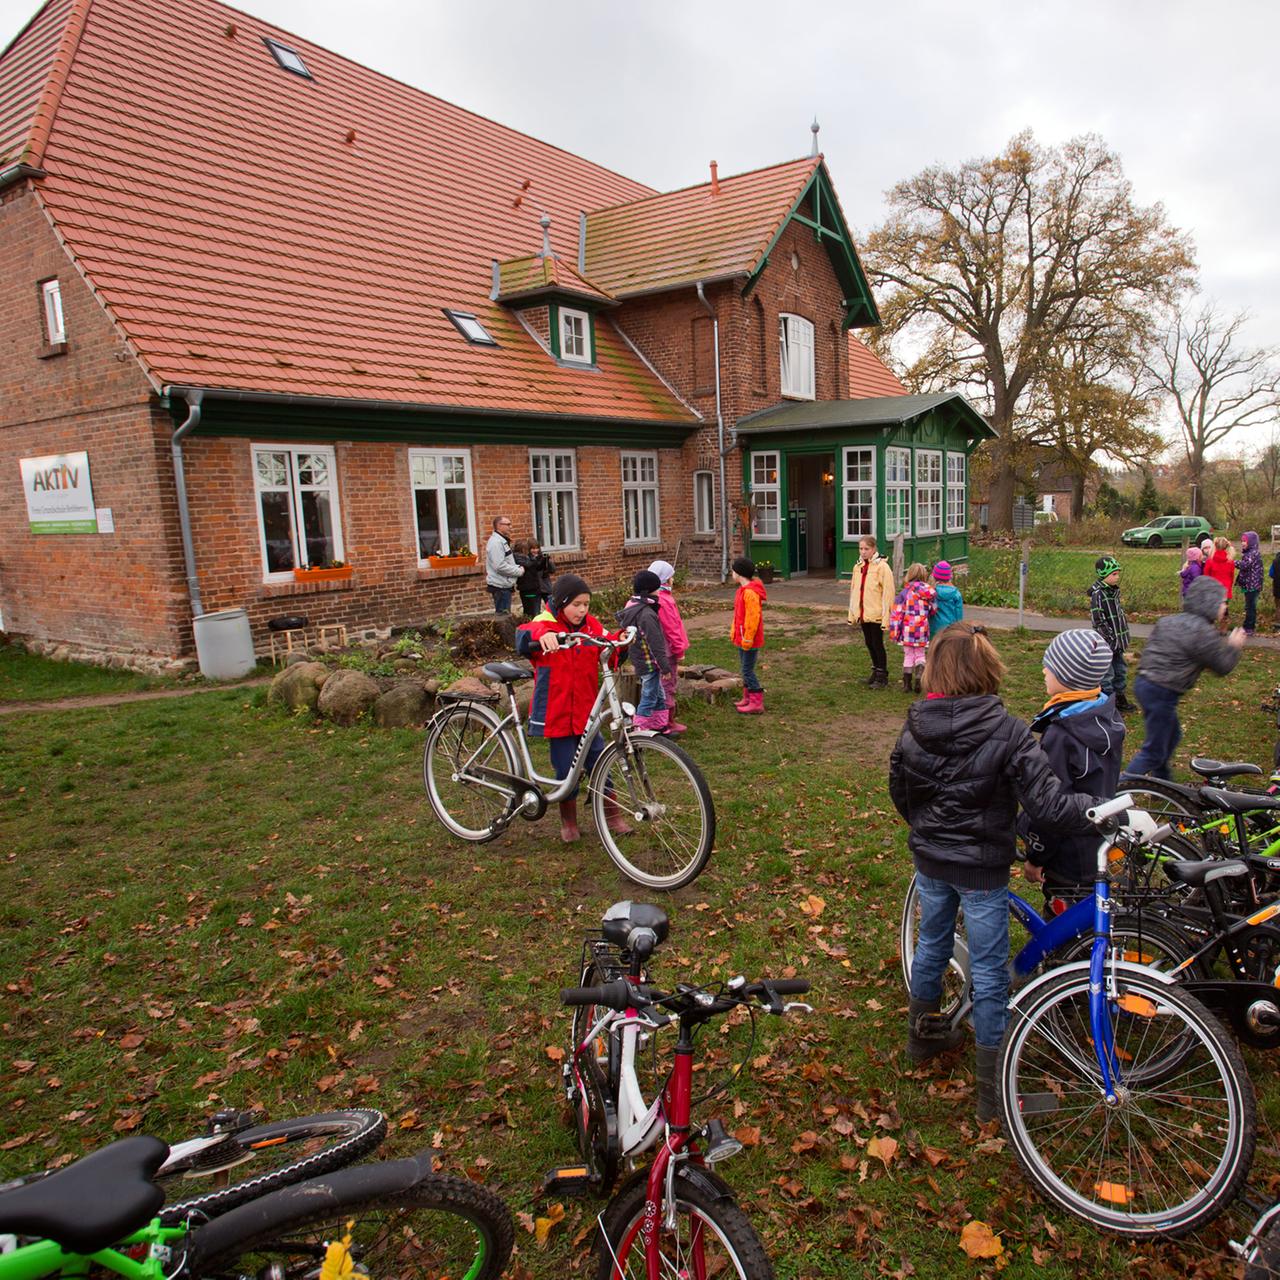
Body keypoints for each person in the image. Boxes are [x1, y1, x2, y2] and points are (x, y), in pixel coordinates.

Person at [889, 623, 1098, 1122]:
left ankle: (923, 1040)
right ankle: (991, 1089)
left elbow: (900, 789)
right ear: (986, 669)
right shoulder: (1008, 731)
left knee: (933, 941)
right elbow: (1048, 805)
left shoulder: (914, 725)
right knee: (987, 968)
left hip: (933, 861)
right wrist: (1097, 807)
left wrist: (928, 829)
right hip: (982, 868)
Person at [514, 574, 631, 843]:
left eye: (586, 604)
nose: (582, 610)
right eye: (576, 604)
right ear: (562, 601)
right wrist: (546, 636)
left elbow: (607, 644)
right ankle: (568, 820)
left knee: (600, 761)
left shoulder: (590, 627)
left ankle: (611, 815)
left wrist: (619, 639)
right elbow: (524, 634)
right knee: (566, 768)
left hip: (586, 712)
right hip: (558, 714)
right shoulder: (545, 624)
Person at [1021, 630, 1125, 893]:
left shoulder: (1060, 734)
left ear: (1069, 676)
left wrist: (1036, 856)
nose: (1044, 669)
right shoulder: (1106, 716)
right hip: (1099, 840)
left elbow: (1052, 808)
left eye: (1051, 666)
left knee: (1066, 925)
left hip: (1067, 857)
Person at [1123, 576, 1246, 781]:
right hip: (1162, 691)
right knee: (1153, 750)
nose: (1225, 606)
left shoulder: (1169, 620)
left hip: (1145, 683)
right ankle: (1118, 789)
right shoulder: (1202, 632)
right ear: (1209, 603)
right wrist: (1233, 646)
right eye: (1222, 602)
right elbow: (1222, 666)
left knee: (1170, 735)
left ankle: (1160, 783)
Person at [616, 570, 673, 734]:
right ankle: (637, 729)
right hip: (649, 662)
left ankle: (658, 725)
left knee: (658, 694)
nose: (659, 592)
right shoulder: (646, 614)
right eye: (657, 589)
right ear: (648, 591)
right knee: (649, 696)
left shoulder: (632, 606)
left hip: (640, 659)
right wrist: (665, 667)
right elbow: (656, 643)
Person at [847, 535, 895, 689]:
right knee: (869, 642)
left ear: (873, 549)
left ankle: (882, 676)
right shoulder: (858, 567)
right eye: (861, 549)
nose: (863, 552)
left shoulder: (882, 567)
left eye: (866, 549)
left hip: (876, 612)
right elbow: (854, 590)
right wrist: (854, 611)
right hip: (864, 611)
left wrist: (887, 614)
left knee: (877, 643)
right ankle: (875, 671)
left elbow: (888, 592)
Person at [648, 559, 689, 734]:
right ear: (666, 580)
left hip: (656, 651)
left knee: (658, 685)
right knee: (668, 685)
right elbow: (672, 627)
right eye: (672, 576)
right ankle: (666, 722)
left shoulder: (653, 599)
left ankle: (658, 720)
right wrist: (679, 649)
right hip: (667, 651)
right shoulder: (665, 601)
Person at [1088, 556, 1132, 713]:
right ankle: (1107, 703)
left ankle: (1120, 698)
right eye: (1114, 574)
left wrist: (1122, 637)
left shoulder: (1113, 593)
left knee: (1120, 671)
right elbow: (1098, 619)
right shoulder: (1098, 595)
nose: (1117, 577)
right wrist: (1110, 638)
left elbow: (1119, 616)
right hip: (1106, 643)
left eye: (1118, 574)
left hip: (1118, 643)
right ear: (1103, 575)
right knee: (1108, 674)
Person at [889, 563, 936, 693]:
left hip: (907, 629)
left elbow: (896, 614)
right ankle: (919, 677)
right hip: (922, 628)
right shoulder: (929, 592)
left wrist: (894, 632)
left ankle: (906, 684)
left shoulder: (904, 593)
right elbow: (934, 609)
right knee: (920, 654)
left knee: (908, 655)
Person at [730, 556, 766, 715]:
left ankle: (756, 702)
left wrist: (748, 638)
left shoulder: (750, 593)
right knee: (744, 668)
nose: (731, 573)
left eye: (733, 570)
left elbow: (753, 617)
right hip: (742, 637)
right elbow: (738, 615)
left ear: (739, 573)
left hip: (749, 639)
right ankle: (748, 698)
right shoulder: (742, 591)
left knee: (747, 670)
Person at [484, 515, 522, 614]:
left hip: (504, 585)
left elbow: (506, 561)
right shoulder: (496, 543)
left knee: (505, 616)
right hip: (500, 586)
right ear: (499, 526)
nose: (511, 527)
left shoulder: (501, 541)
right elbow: (499, 566)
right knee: (503, 618)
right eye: (508, 524)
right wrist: (518, 571)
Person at [1237, 530, 1264, 635]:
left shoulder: (1253, 553)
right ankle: (1247, 625)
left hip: (1252, 585)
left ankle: (1249, 627)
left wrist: (1231, 562)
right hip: (1248, 583)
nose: (1242, 543)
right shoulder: (1249, 552)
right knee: (1249, 605)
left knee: (1251, 606)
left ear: (1252, 542)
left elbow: (1244, 565)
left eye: (1245, 541)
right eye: (1242, 541)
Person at [929, 561, 964, 637]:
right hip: (950, 630)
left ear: (935, 576)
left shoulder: (932, 592)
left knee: (935, 648)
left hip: (934, 629)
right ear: (949, 576)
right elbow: (959, 614)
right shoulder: (956, 594)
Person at [512, 540, 541, 619]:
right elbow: (529, 565)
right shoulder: (520, 558)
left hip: (531, 588)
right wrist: (535, 559)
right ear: (524, 550)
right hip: (528, 588)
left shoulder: (525, 558)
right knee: (532, 611)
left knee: (531, 610)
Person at [1204, 536, 1235, 602]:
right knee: (1224, 610)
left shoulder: (1210, 561)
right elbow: (1231, 577)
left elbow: (1206, 576)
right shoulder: (1230, 561)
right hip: (1226, 590)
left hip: (1213, 590)